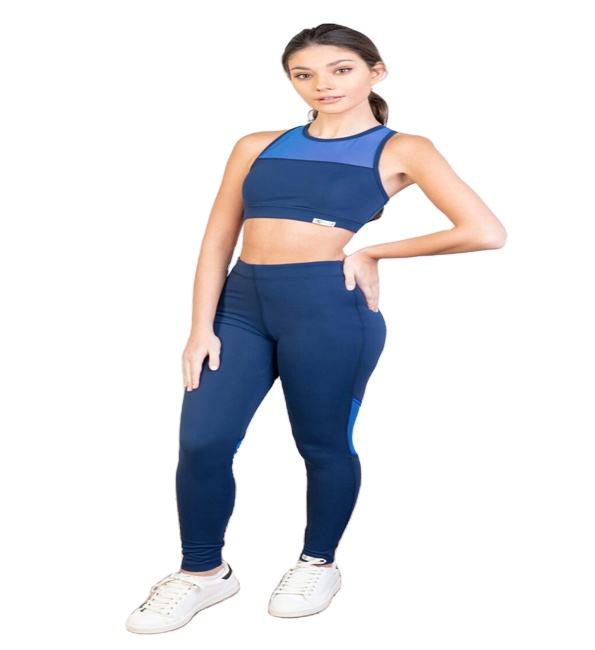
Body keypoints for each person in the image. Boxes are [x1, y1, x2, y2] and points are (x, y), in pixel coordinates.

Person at [126, 23, 506, 633]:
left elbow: (484, 230)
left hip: (329, 310)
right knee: (202, 441)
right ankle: (203, 572)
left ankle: (317, 562)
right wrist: (200, 326)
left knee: (322, 444)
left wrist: (373, 252)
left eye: (340, 69)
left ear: (375, 72)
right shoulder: (257, 144)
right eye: (304, 74)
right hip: (240, 307)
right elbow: (218, 236)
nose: (322, 85)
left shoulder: (403, 149)